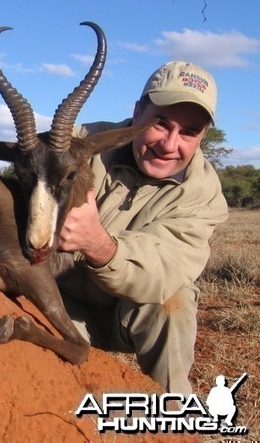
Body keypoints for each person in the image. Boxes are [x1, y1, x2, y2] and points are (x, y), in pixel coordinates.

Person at [58, 61, 229, 394]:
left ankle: (173, 416)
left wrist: (97, 243)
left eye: (189, 132)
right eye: (159, 123)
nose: (169, 144)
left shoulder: (202, 193)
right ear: (137, 113)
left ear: (203, 136)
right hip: (61, 305)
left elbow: (164, 271)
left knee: (174, 303)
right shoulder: (82, 143)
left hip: (125, 313)